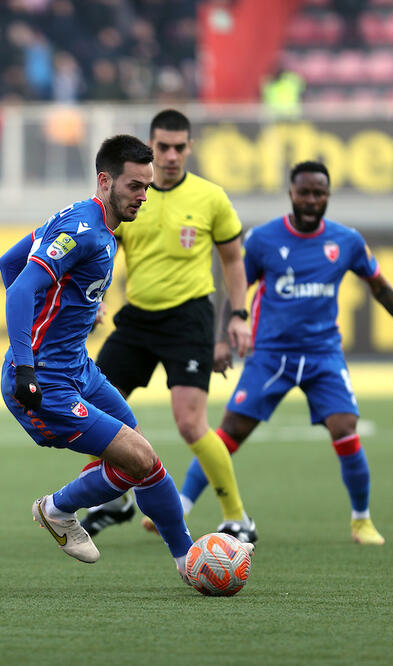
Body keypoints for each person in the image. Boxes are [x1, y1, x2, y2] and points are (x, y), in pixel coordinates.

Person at [177, 160, 393, 545]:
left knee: (345, 427)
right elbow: (236, 289)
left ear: (328, 196)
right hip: (270, 355)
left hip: (322, 355)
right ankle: (179, 506)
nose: (312, 200)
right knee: (231, 430)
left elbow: (380, 286)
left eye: (319, 193)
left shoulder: (346, 241)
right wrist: (220, 340)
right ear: (291, 194)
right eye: (305, 192)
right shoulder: (263, 239)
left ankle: (361, 521)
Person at [0, 134, 209, 583]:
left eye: (147, 187)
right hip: (45, 380)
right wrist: (25, 364)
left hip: (78, 367)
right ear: (104, 180)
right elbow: (18, 287)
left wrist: (71, 312)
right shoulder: (83, 230)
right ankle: (185, 558)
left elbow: (7, 261)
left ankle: (61, 511)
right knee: (141, 458)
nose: (143, 196)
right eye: (135, 186)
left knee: (136, 450)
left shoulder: (93, 225)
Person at [83, 109, 256, 542]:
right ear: (151, 146)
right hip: (138, 318)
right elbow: (105, 249)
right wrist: (96, 300)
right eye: (163, 147)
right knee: (93, 409)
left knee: (190, 424)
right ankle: (118, 497)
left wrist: (238, 316)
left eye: (180, 147)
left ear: (190, 147)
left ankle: (238, 517)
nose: (171, 155)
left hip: (188, 318)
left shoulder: (210, 198)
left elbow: (234, 260)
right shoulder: (131, 194)